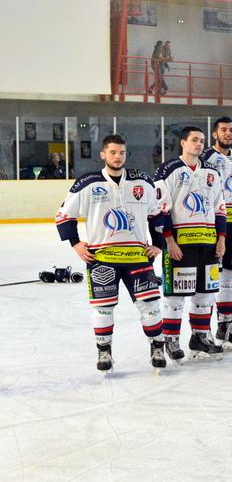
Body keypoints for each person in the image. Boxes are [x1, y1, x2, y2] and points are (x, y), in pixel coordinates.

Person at [55, 134, 166, 373]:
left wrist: (158, 244)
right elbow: (64, 215)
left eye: (122, 153)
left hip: (137, 257)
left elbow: (157, 214)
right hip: (102, 258)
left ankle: (157, 347)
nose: (118, 157)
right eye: (113, 152)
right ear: (103, 154)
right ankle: (104, 352)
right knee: (103, 309)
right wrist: (75, 243)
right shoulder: (88, 183)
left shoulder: (142, 181)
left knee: (150, 305)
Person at [155, 126, 226, 361]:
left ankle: (200, 336)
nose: (199, 144)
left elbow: (219, 207)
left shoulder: (212, 172)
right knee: (176, 295)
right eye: (194, 140)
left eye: (202, 141)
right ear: (183, 143)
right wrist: (169, 241)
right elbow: (161, 209)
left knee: (205, 293)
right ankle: (171, 339)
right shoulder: (169, 170)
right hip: (180, 244)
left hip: (208, 242)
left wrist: (221, 238)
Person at [200, 117, 232, 346]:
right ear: (215, 134)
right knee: (213, 277)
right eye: (223, 130)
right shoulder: (206, 158)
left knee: (231, 276)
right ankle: (203, 329)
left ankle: (225, 325)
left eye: (231, 130)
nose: (228, 133)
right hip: (214, 224)